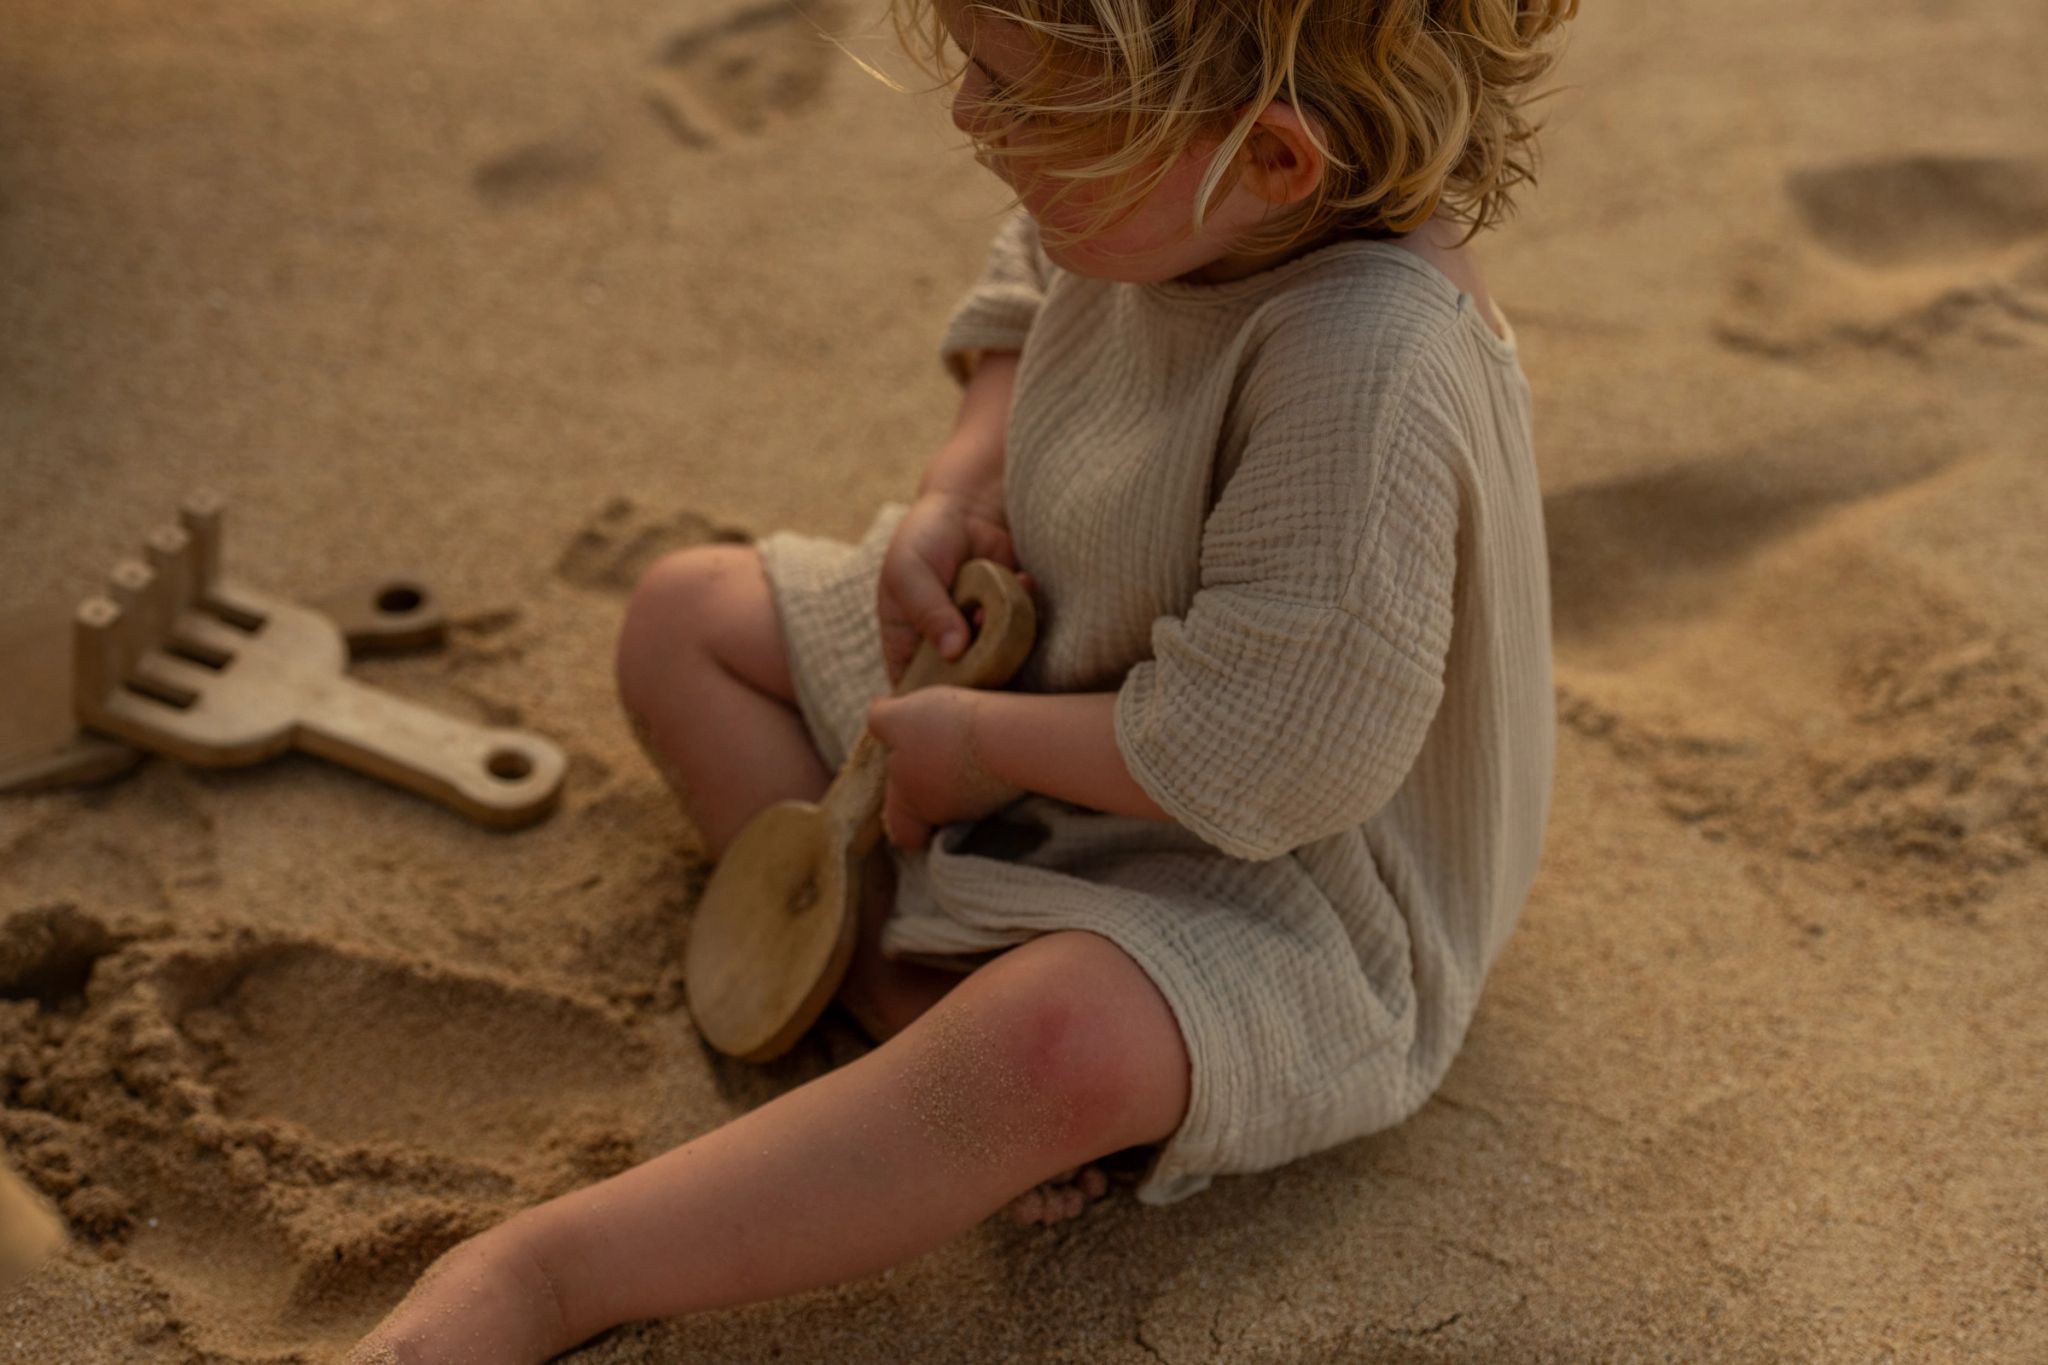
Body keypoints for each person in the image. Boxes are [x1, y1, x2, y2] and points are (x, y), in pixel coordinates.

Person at [351, 0, 1572, 1358]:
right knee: (679, 622)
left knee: (1054, 1045)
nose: (969, 118)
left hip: (1273, 869)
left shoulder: (1370, 368)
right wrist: (958, 484)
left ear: (1273, 159)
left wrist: (986, 749)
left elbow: (1278, 755)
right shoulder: (1186, 190)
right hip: (1046, 648)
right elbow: (1036, 268)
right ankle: (888, 984)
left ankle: (550, 1274)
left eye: (1020, 100)